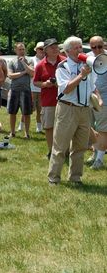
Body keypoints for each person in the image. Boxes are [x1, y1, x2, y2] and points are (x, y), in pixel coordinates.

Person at [48, 36, 99, 186]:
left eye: (81, 48)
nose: (80, 51)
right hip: (67, 108)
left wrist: (97, 98)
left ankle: (75, 177)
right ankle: (54, 177)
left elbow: (91, 86)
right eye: (76, 48)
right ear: (69, 51)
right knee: (60, 145)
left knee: (80, 146)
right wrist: (81, 75)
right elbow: (67, 88)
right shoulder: (62, 67)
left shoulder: (87, 65)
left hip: (84, 110)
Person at [33, 39, 64, 159]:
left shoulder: (65, 62)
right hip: (48, 100)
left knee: (63, 127)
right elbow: (35, 82)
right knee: (49, 126)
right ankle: (51, 150)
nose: (55, 49)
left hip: (65, 100)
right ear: (45, 50)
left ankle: (63, 150)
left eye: (56, 46)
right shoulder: (41, 65)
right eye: (52, 47)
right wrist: (45, 84)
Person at [7, 42, 34, 138]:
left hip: (26, 89)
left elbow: (32, 73)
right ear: (16, 50)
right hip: (14, 89)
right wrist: (23, 72)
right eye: (20, 49)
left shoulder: (30, 60)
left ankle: (27, 133)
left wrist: (24, 63)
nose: (22, 51)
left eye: (23, 49)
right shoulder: (11, 62)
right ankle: (12, 132)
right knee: (12, 112)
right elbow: (10, 75)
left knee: (26, 113)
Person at [89, 36, 107, 169]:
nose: (97, 49)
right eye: (94, 47)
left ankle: (99, 160)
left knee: (102, 129)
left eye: (99, 46)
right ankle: (95, 153)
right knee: (91, 128)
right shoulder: (88, 58)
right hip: (89, 99)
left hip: (104, 101)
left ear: (104, 45)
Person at [30, 42, 45, 133]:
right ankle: (22, 124)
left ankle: (39, 126)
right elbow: (31, 72)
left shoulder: (46, 60)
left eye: (43, 49)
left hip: (43, 88)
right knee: (29, 107)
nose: (42, 51)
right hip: (32, 87)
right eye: (40, 49)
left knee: (40, 108)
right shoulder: (32, 60)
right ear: (36, 50)